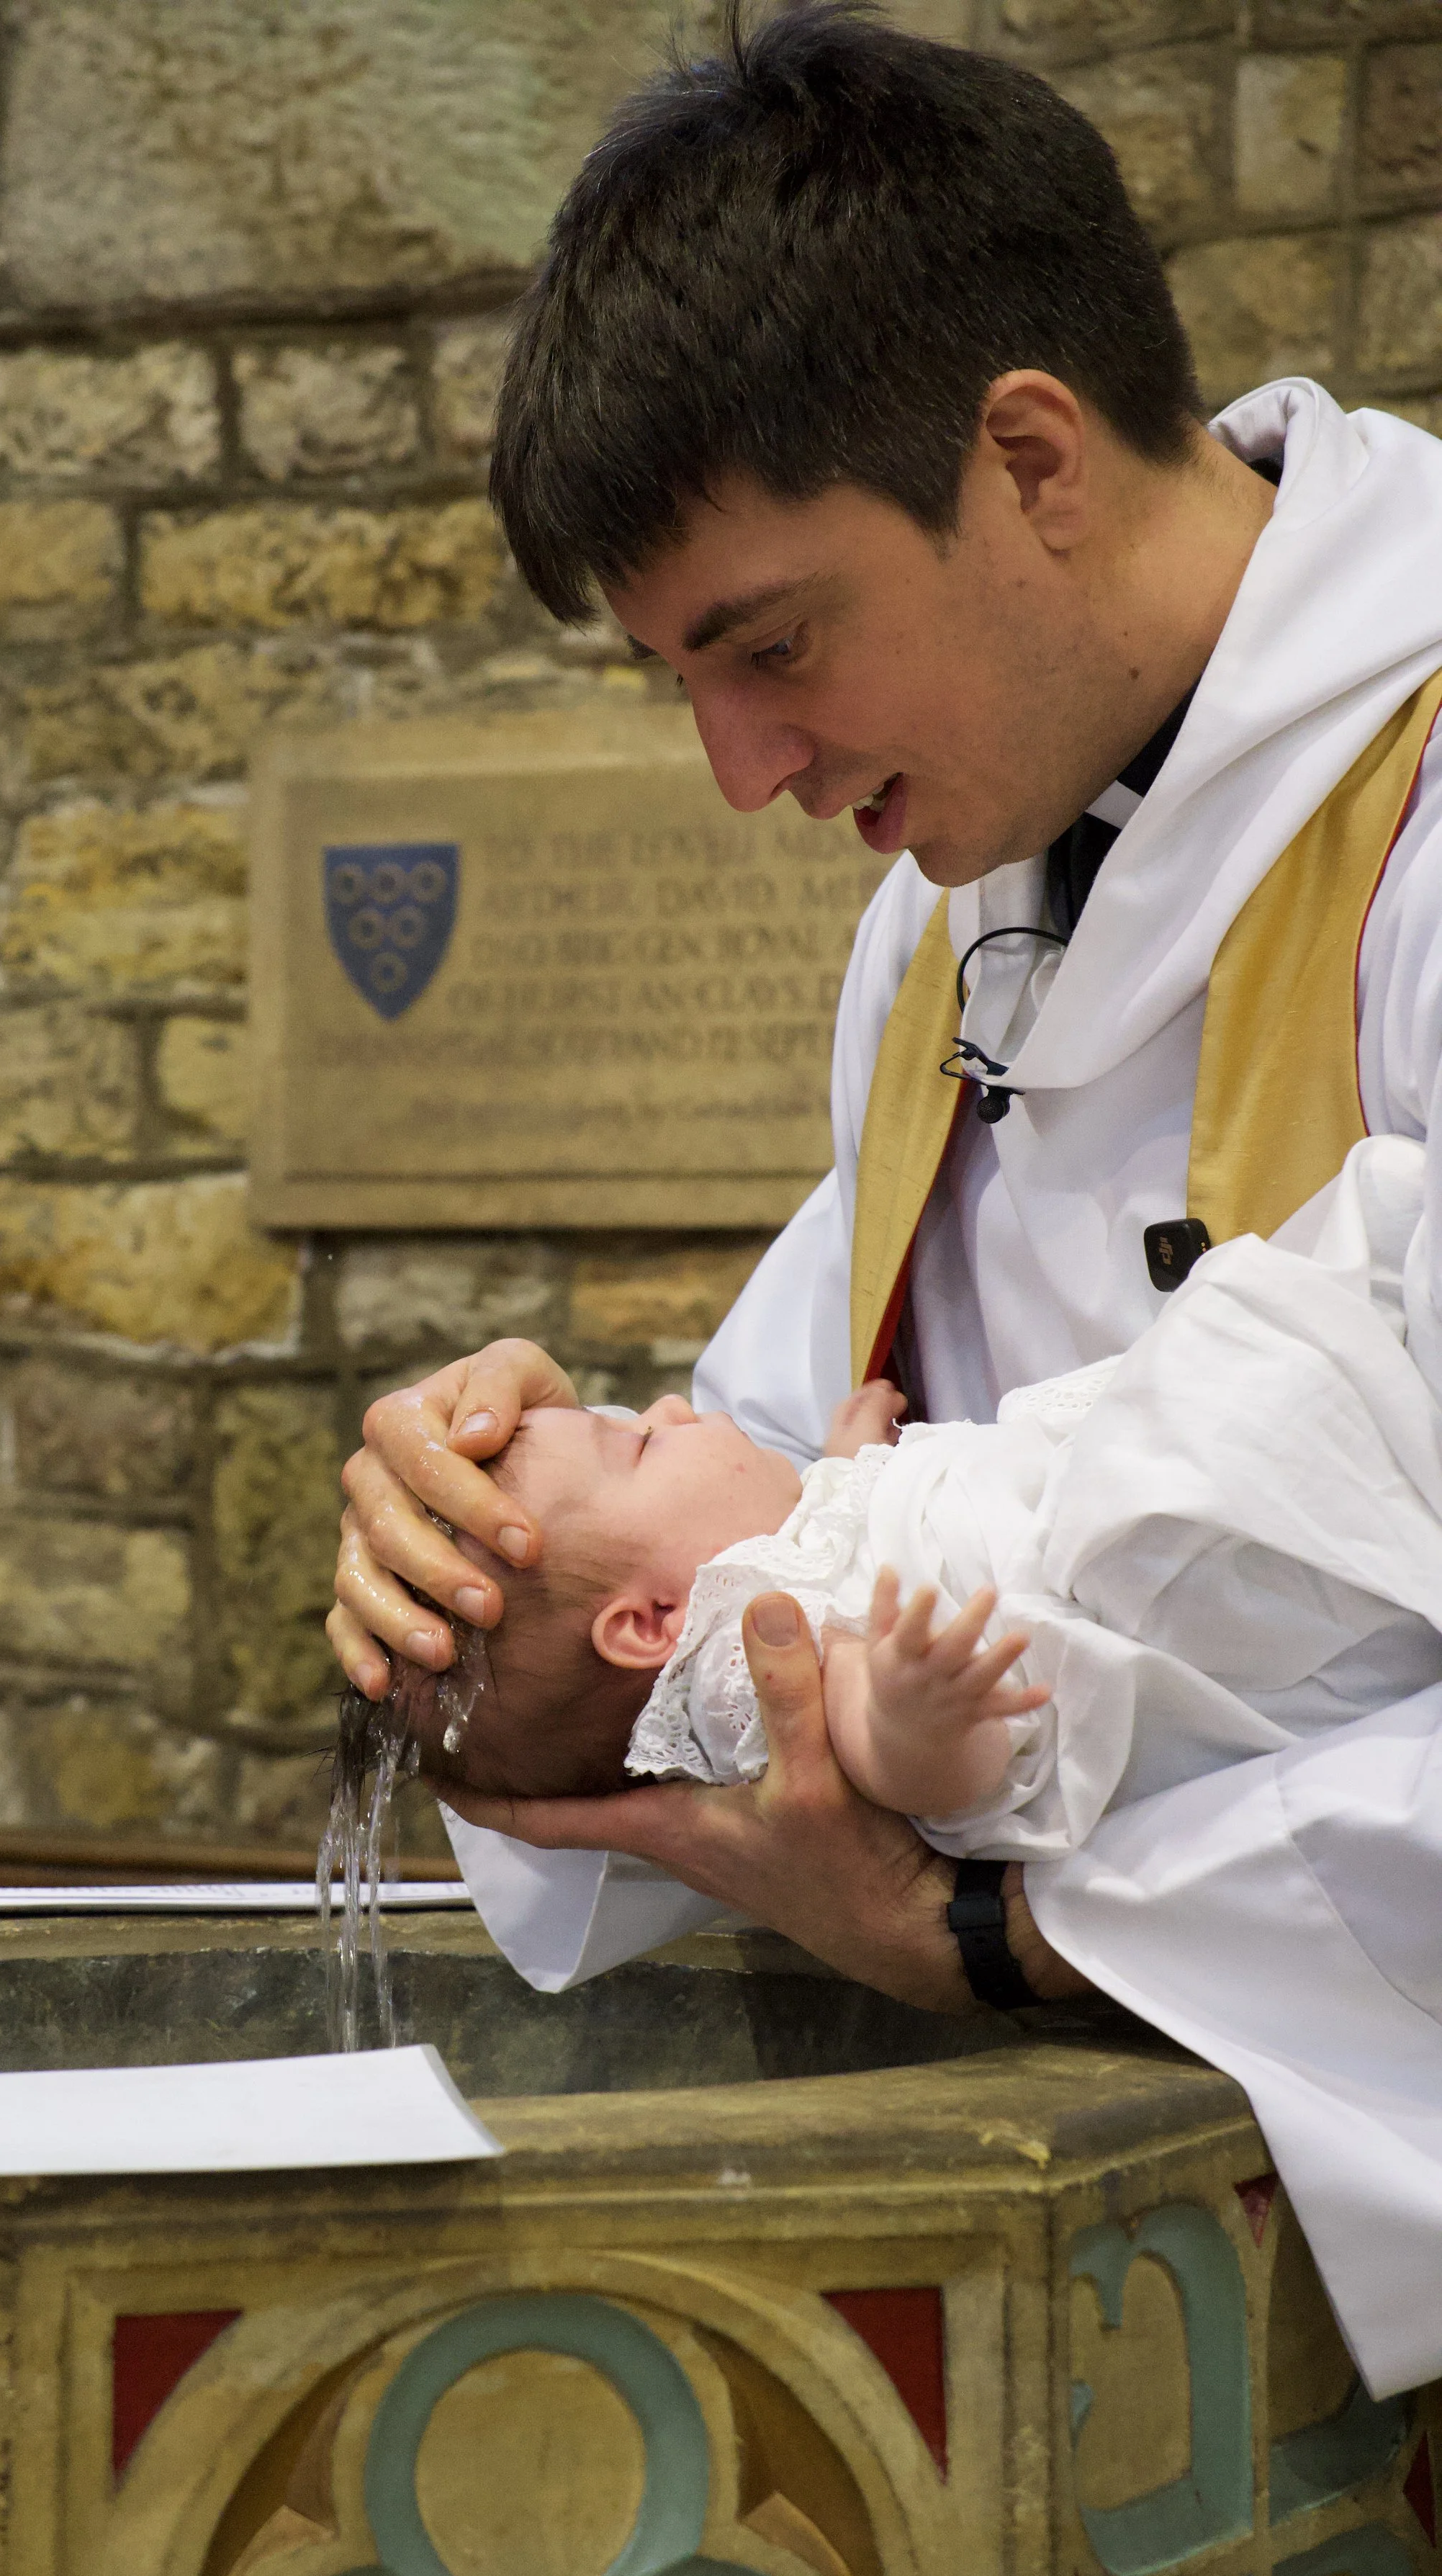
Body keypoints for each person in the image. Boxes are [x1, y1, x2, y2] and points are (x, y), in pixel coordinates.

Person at [326, 2, 1442, 2400]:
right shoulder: (946, 926)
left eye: (771, 647)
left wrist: (1013, 1921)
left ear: (1027, 457)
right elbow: (724, 1567)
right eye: (683, 686)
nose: (744, 773)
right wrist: (462, 1577)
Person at [378, 1139, 1442, 1862]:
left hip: (1082, 1494)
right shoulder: (752, 1668)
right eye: (642, 1439)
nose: (664, 1400)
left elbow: (818, 1521)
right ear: (653, 1623)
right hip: (1112, 1575)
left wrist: (850, 1460)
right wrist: (911, 1715)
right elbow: (868, 1748)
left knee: (1278, 1355)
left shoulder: (766, 1555)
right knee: (1249, 1424)